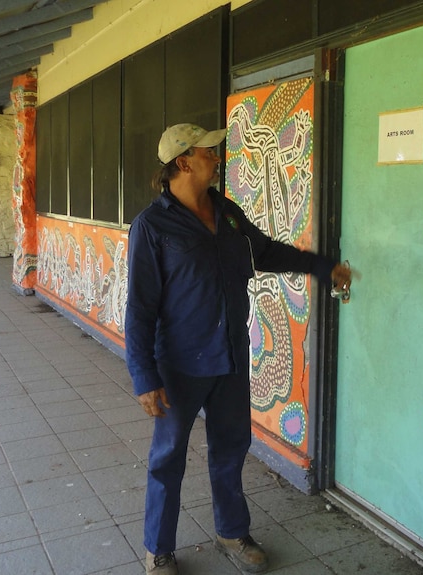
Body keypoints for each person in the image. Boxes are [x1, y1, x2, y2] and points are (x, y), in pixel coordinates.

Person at [124, 123, 352, 575]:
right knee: (168, 457)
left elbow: (264, 253)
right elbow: (140, 306)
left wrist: (323, 267)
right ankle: (159, 549)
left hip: (229, 357)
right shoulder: (152, 226)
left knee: (230, 449)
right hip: (180, 366)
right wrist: (144, 376)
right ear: (184, 161)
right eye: (210, 151)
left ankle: (232, 532)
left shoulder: (226, 213)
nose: (218, 156)